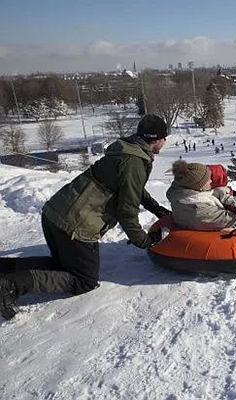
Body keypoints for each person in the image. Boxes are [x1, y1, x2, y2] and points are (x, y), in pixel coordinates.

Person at [0, 114, 172, 320]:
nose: (165, 141)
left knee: (62, 266)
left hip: (55, 213)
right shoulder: (134, 162)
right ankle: (11, 285)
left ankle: (5, 268)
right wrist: (146, 241)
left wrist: (156, 208)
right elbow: (127, 211)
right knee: (83, 281)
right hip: (75, 225)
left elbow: (133, 189)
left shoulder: (127, 150)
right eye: (164, 137)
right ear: (155, 139)